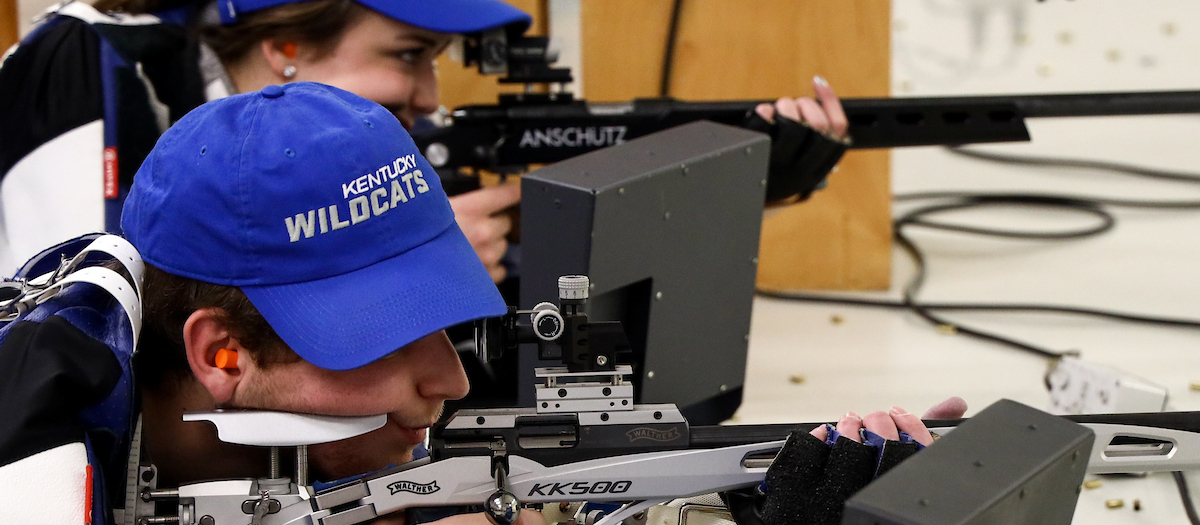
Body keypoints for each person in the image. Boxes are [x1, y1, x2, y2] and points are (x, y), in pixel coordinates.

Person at [0, 83, 954, 525]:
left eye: (444, 323)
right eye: (384, 335)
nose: (449, 382)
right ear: (223, 354)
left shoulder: (211, 389)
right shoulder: (33, 448)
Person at [0, 0, 850, 280]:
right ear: (286, 45)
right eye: (407, 56)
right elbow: (76, 320)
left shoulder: (310, 140)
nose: (429, 97)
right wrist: (398, 265)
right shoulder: (92, 66)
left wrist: (742, 183)